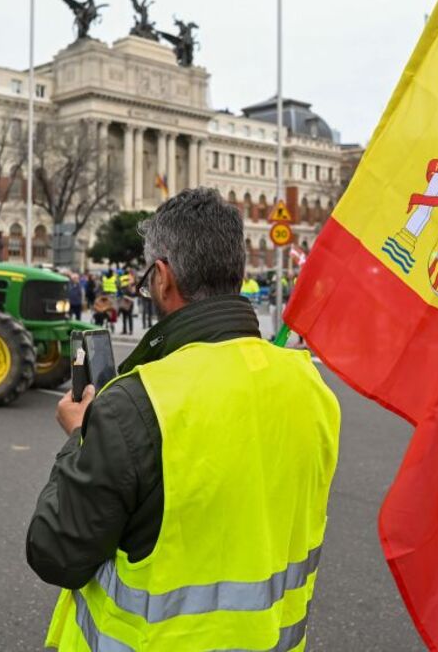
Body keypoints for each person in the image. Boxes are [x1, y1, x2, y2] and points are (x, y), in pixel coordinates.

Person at [27, 188, 341, 651]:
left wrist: (81, 436)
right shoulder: (312, 389)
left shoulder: (135, 403)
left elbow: (55, 553)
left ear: (162, 277)